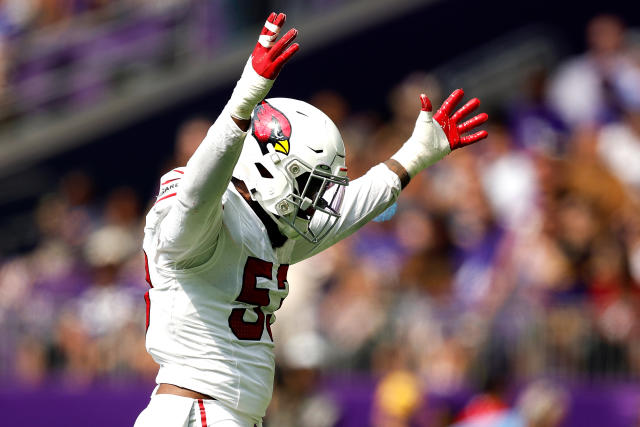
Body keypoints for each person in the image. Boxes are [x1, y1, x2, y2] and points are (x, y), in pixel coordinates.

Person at [134, 11, 488, 427]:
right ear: (266, 166)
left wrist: (415, 154)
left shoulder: (273, 231)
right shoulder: (200, 217)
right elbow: (196, 196)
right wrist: (244, 99)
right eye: (308, 184)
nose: (316, 199)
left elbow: (352, 207)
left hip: (220, 413)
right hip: (197, 413)